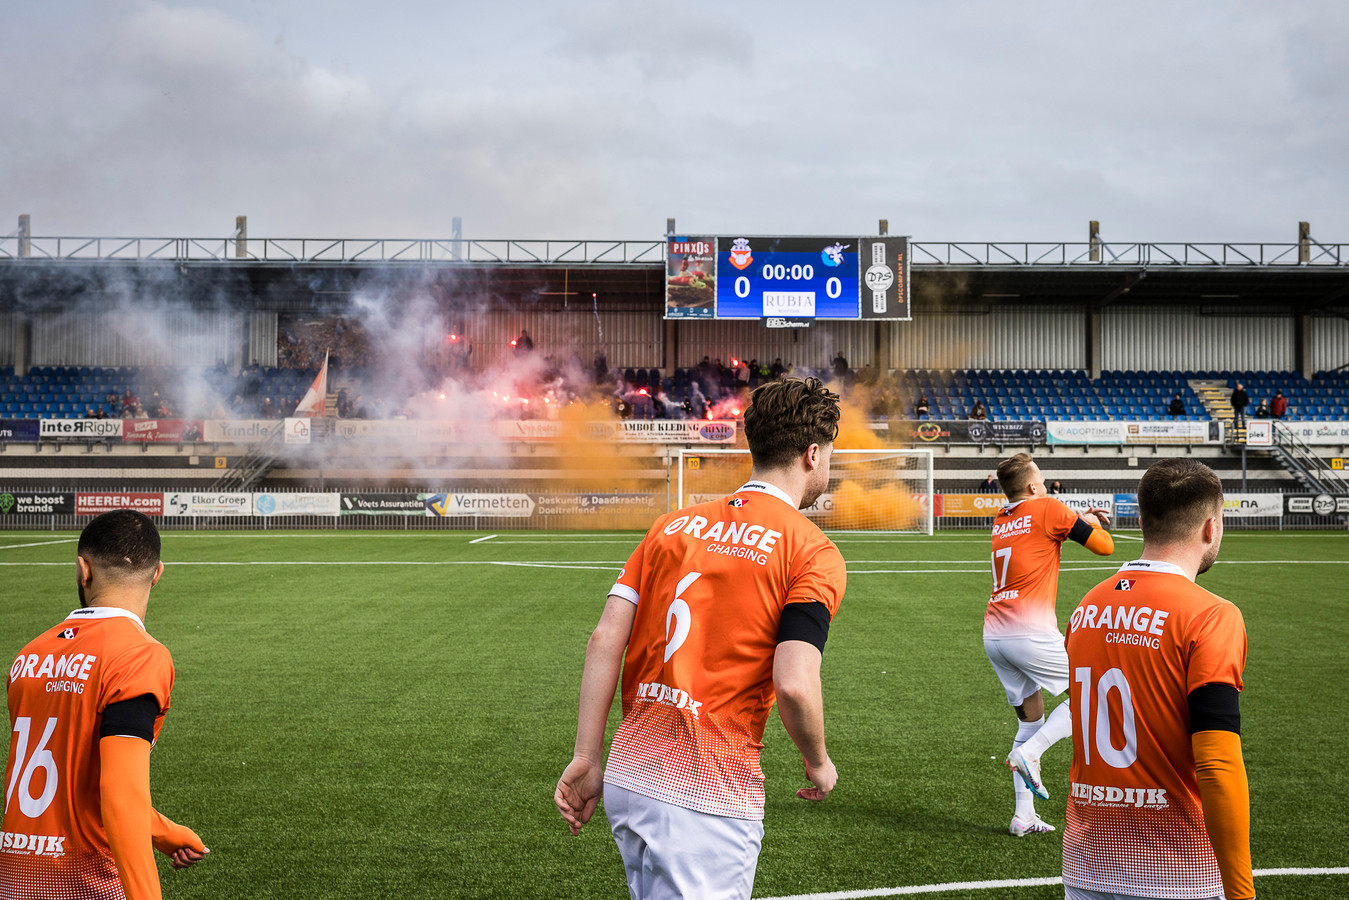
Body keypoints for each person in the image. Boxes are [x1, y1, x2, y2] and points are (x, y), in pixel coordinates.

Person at [555, 377, 846, 900]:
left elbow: (604, 639)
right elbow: (796, 685)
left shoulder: (670, 526)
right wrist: (819, 762)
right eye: (829, 454)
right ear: (811, 454)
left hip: (629, 774)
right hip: (707, 790)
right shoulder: (812, 550)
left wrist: (586, 756)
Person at [1057, 458, 1253, 900]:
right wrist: (1241, 894)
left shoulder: (1086, 607)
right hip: (1178, 871)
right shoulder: (1212, 615)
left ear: (1142, 521)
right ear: (1211, 528)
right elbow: (1218, 764)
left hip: (1087, 864)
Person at [1, 510, 208, 899]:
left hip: (15, 876)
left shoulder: (28, 656)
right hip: (85, 881)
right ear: (158, 572)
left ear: (83, 569)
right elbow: (120, 796)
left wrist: (163, 831)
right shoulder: (138, 656)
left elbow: (71, 784)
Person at [987, 453, 1114, 836]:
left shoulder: (1002, 519)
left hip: (995, 634)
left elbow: (1043, 523)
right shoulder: (1048, 508)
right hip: (1030, 633)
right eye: (1040, 479)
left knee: (1031, 718)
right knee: (1091, 694)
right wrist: (1086, 523)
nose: (1044, 483)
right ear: (1031, 486)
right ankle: (1031, 753)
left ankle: (1023, 816)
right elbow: (1105, 546)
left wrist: (1077, 519)